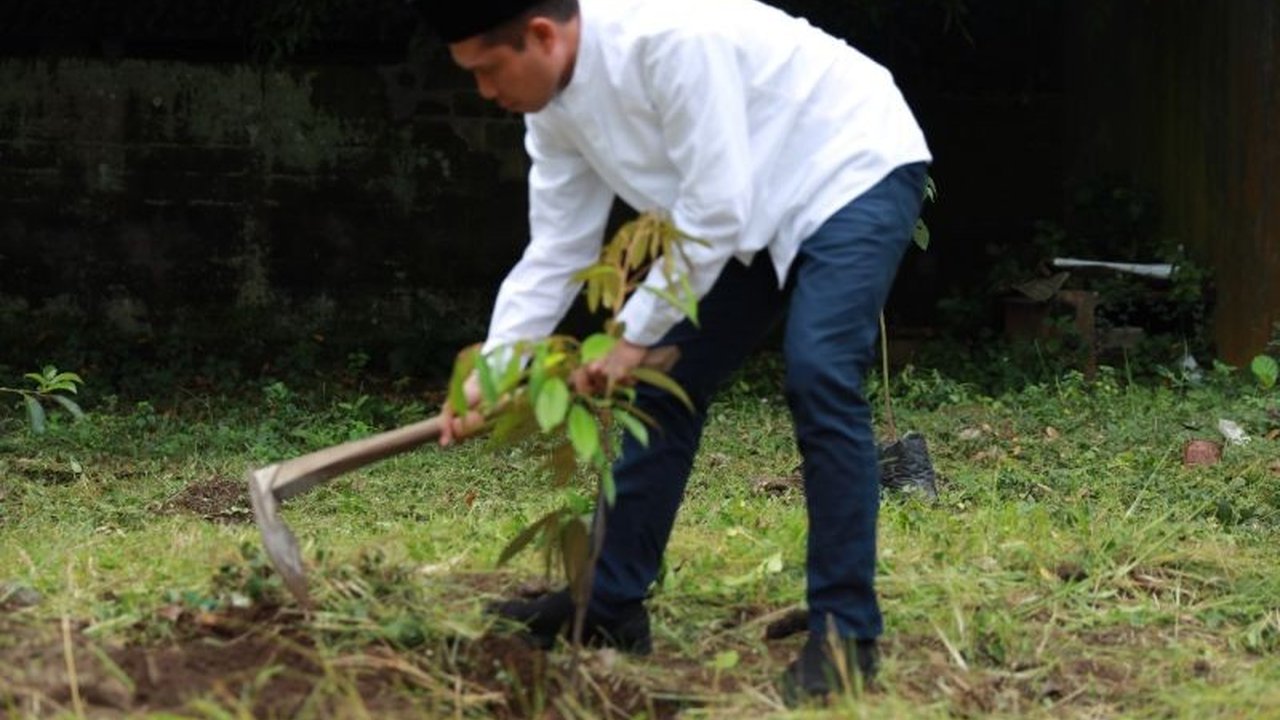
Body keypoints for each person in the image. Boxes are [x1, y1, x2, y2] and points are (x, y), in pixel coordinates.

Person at [422, 0, 931, 703]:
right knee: (662, 385)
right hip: (739, 211)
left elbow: (714, 207)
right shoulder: (550, 110)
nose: (483, 91)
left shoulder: (667, 42)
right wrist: (495, 370)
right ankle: (606, 607)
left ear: (541, 35)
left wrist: (632, 338)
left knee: (819, 372)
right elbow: (557, 248)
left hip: (850, 166)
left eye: (486, 70)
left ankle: (847, 637)